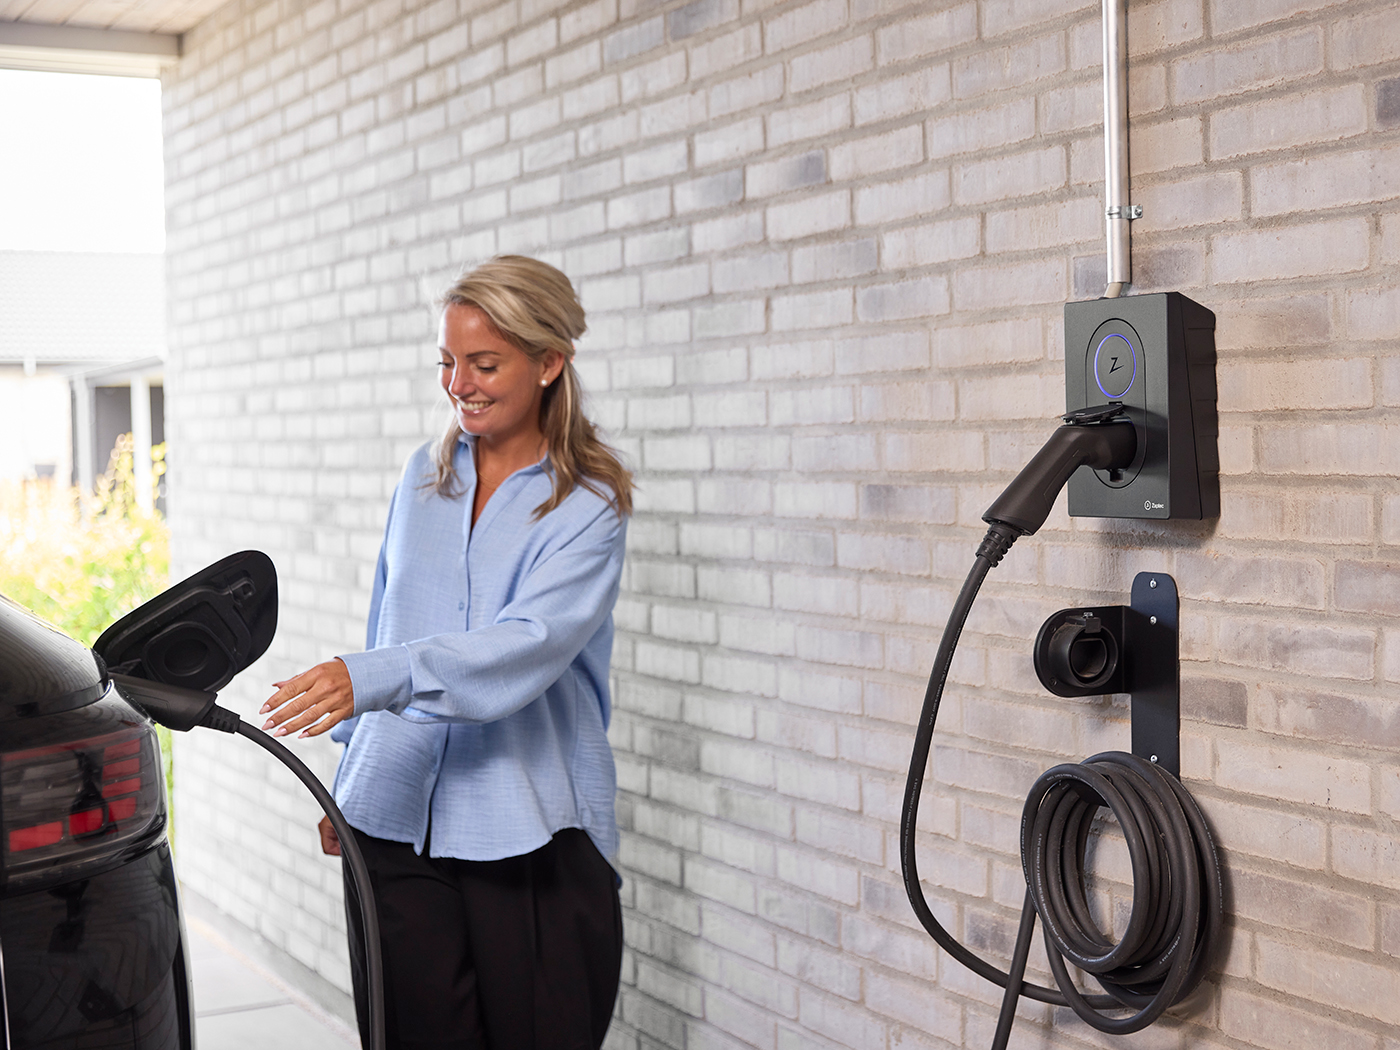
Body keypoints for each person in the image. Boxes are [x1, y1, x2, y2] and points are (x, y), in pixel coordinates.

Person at [259, 255, 632, 1050]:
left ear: (549, 363)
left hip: (530, 831)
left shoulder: (589, 505)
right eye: (447, 362)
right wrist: (353, 772)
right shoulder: (421, 481)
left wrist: (369, 682)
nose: (459, 382)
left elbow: (524, 650)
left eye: (484, 363)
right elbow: (385, 622)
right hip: (389, 820)